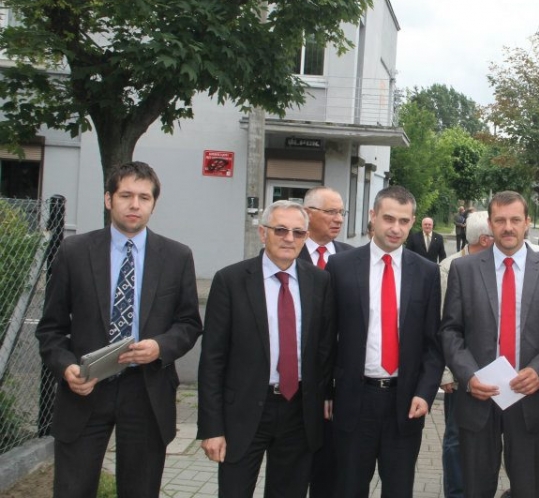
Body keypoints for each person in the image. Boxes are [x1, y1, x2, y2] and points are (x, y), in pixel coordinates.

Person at [35, 161, 203, 498]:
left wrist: (160, 347)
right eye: (126, 195)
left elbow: (188, 324)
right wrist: (67, 368)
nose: (134, 204)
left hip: (146, 390)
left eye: (144, 197)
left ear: (154, 204)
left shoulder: (176, 256)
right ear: (108, 199)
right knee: (72, 489)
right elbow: (50, 329)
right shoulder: (75, 252)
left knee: (140, 490)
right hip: (86, 388)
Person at [441, 191, 539, 498]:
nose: (508, 227)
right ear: (490, 224)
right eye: (500, 220)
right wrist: (468, 376)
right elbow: (450, 330)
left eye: (515, 220)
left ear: (527, 222)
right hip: (479, 398)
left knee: (529, 490)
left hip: (530, 397)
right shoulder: (465, 270)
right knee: (475, 489)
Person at [197, 201, 335, 498]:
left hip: (299, 411)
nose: (289, 238)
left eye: (298, 232)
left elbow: (324, 349)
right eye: (280, 230)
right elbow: (212, 360)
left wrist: (326, 394)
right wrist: (211, 427)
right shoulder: (231, 280)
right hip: (244, 411)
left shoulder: (319, 281)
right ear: (263, 233)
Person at [326, 185, 443, 498]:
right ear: (373, 216)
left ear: (413, 222)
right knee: (349, 488)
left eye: (404, 221)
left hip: (404, 404)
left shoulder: (427, 273)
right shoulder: (340, 266)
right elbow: (325, 337)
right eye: (389, 218)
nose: (396, 228)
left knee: (399, 489)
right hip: (355, 400)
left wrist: (425, 392)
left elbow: (433, 343)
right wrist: (326, 391)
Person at [297, 186, 351, 498]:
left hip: (337, 386)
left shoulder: (349, 257)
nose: (338, 219)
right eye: (331, 212)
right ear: (308, 214)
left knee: (329, 470)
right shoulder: (289, 253)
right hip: (296, 384)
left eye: (341, 212)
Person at [438, 210, 492, 498]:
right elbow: (443, 322)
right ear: (484, 239)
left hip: (488, 371)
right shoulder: (450, 268)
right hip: (459, 372)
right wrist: (447, 372)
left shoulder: (493, 264)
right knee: (455, 437)